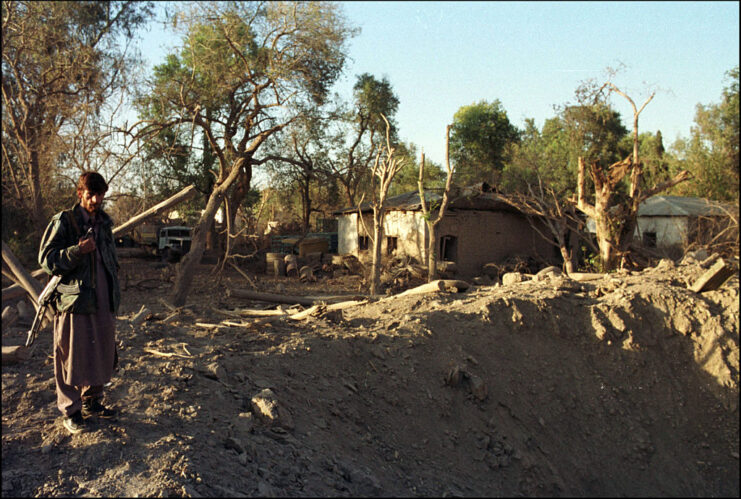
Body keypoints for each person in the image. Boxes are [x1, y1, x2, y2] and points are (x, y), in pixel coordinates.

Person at [38, 171, 121, 434]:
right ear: (80, 194)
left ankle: (92, 401)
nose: (96, 200)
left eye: (100, 195)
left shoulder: (105, 224)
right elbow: (46, 259)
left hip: (103, 299)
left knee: (102, 351)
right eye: (90, 195)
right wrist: (77, 251)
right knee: (70, 355)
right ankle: (71, 411)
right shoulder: (64, 221)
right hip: (74, 301)